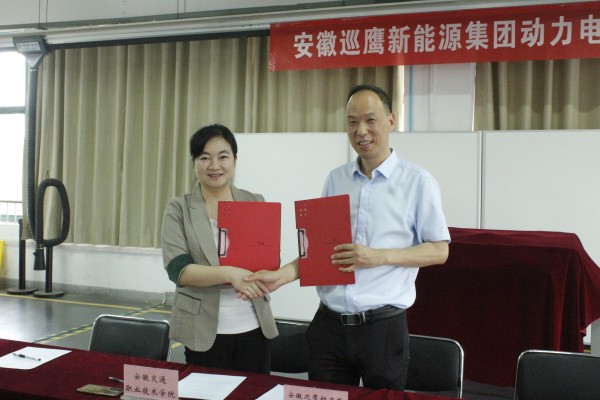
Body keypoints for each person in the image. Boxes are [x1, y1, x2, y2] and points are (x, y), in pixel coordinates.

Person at [245, 84, 450, 390]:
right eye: (352, 122)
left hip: (382, 328)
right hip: (329, 326)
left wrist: (379, 256)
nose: (361, 131)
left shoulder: (417, 182)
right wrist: (281, 276)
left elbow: (439, 250)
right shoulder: (336, 179)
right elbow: (320, 251)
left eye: (370, 120)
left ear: (390, 120)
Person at [161, 123, 278, 373]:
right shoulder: (179, 208)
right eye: (205, 157)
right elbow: (178, 270)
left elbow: (268, 258)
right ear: (194, 162)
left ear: (235, 159)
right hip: (203, 330)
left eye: (223, 156)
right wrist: (229, 274)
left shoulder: (254, 201)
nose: (214, 165)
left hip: (255, 326)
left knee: (253, 391)